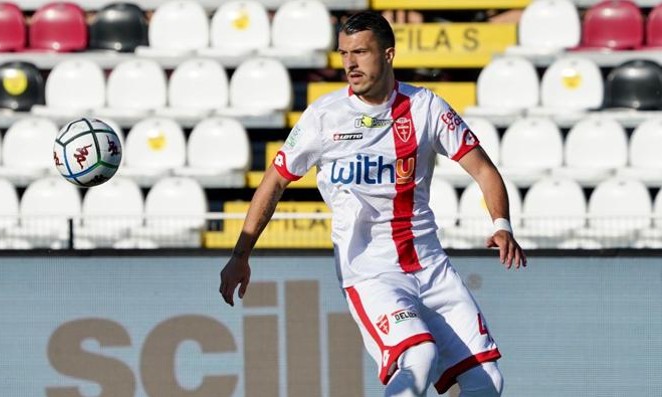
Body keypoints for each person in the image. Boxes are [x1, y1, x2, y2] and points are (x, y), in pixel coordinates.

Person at [219, 11, 526, 397]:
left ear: (389, 55)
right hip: (370, 269)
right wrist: (241, 253)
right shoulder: (323, 116)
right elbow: (275, 180)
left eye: (361, 52)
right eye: (344, 53)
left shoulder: (426, 107)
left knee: (487, 381)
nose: (350, 62)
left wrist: (502, 225)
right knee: (418, 355)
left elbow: (483, 170)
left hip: (431, 266)